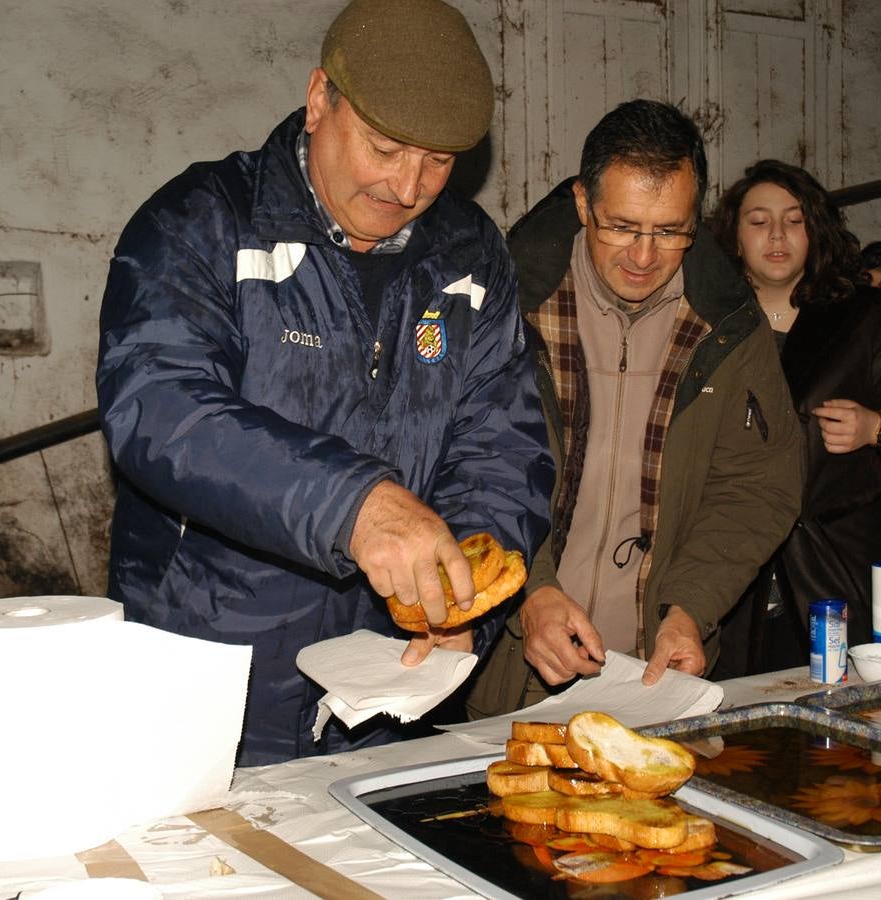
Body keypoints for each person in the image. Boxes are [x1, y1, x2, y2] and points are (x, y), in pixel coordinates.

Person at [95, 0, 554, 765]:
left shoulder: (469, 255)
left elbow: (501, 441)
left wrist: (461, 580)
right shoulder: (203, 223)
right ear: (319, 101)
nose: (408, 186)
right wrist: (354, 506)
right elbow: (160, 407)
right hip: (211, 676)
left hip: (387, 686)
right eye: (385, 147)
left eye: (438, 161)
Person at [465, 101, 803, 717]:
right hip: (516, 673)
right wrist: (530, 593)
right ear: (581, 205)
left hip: (657, 676)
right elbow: (465, 465)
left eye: (671, 231)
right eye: (621, 226)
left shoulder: (727, 325)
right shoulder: (507, 309)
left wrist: (692, 609)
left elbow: (757, 486)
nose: (644, 257)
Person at [709, 160, 881, 677]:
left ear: (815, 232)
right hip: (730, 561)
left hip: (831, 563)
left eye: (794, 219)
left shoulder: (857, 318)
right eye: (759, 222)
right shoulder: (705, 321)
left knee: (838, 723)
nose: (777, 235)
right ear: (735, 238)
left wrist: (880, 427)